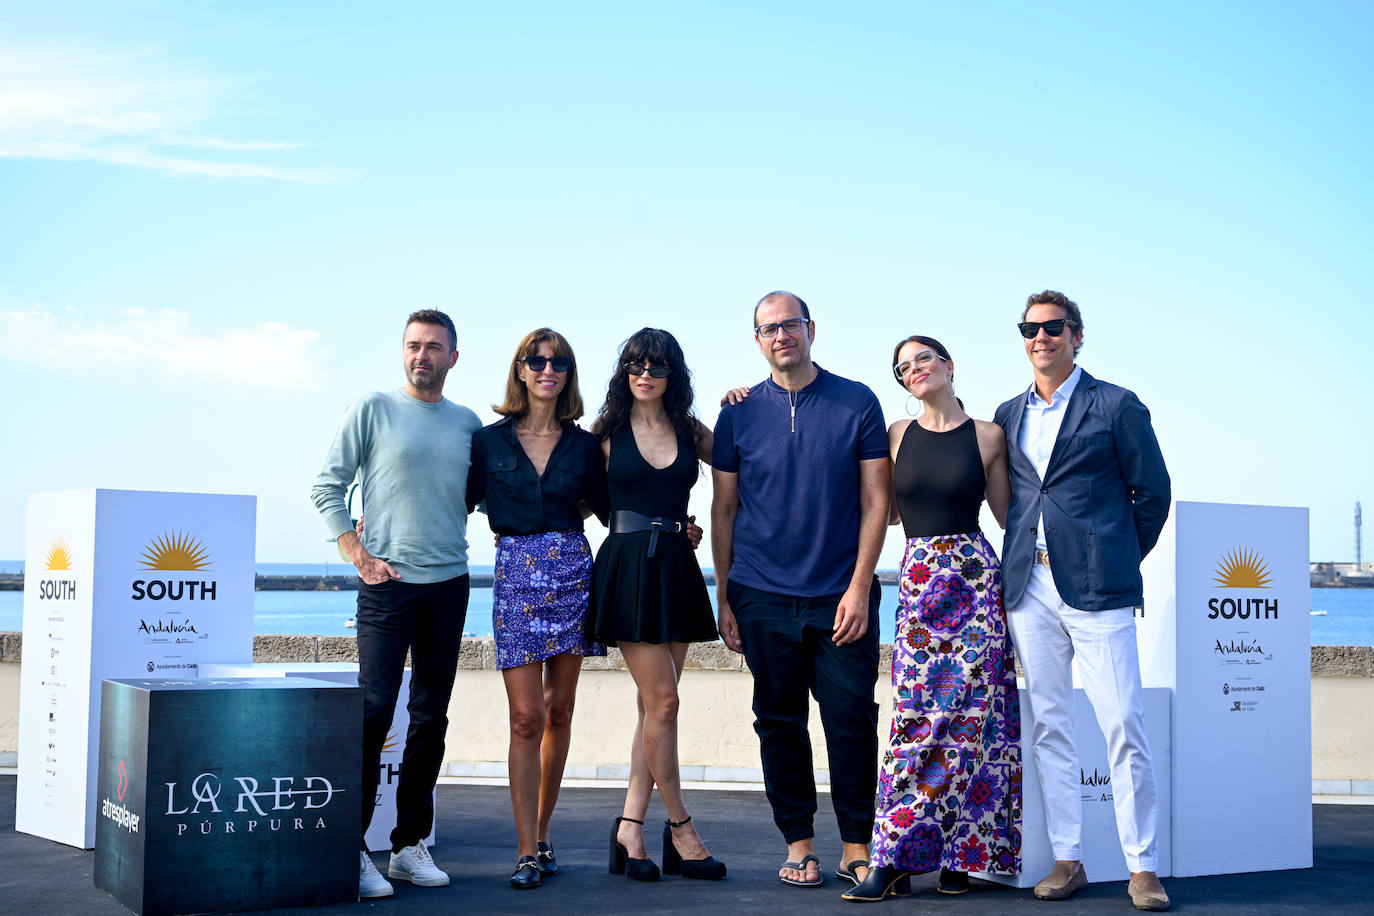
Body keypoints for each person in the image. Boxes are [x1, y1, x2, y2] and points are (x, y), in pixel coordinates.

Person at [994, 290, 1171, 911]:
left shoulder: (1116, 405)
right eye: (1029, 328)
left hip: (1099, 589)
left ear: (1076, 335)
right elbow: (1012, 499)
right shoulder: (1007, 412)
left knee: (1123, 722)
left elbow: (1152, 494)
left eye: (1052, 327)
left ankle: (1142, 867)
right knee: (1049, 726)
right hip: (1028, 590)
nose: (1040, 336)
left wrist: (1116, 557)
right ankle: (1069, 859)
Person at [711, 291, 890, 889]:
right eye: (767, 329)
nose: (780, 335)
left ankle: (856, 846)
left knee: (851, 721)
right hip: (760, 592)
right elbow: (724, 509)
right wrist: (725, 595)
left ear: (811, 329)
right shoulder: (737, 414)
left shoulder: (856, 401)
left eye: (790, 325)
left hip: (842, 593)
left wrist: (861, 587)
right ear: (757, 340)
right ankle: (800, 845)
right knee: (778, 721)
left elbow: (875, 501)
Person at [310, 309, 483, 899]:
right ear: (402, 352)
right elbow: (326, 486)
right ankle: (352, 848)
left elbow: (492, 493)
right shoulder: (374, 408)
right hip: (386, 586)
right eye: (414, 346)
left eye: (435, 347)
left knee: (431, 717)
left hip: (449, 584)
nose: (422, 356)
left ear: (453, 358)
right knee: (375, 711)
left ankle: (410, 846)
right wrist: (358, 554)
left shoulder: (467, 423)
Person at [843, 335, 1022, 902]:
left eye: (923, 359)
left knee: (977, 723)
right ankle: (894, 856)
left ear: (948, 364)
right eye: (903, 368)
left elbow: (1008, 517)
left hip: (975, 580)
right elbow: (887, 512)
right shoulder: (897, 436)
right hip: (920, 581)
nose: (914, 370)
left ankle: (961, 857)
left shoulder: (989, 435)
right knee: (914, 724)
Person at [466, 327, 609, 890]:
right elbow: (449, 499)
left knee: (559, 712)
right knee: (525, 717)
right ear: (520, 370)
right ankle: (526, 849)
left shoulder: (583, 445)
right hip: (516, 578)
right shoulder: (487, 442)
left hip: (574, 572)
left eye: (560, 362)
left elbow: (611, 509)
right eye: (537, 360)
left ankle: (543, 834)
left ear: (568, 374)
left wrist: (675, 525)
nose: (548, 369)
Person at [587, 328, 726, 883]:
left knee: (653, 711)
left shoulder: (692, 431)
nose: (645, 374)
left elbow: (748, 458)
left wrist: (743, 402)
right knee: (664, 703)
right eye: (635, 365)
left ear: (674, 374)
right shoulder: (605, 435)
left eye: (658, 366)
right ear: (624, 372)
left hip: (674, 567)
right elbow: (581, 499)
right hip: (627, 569)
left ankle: (628, 827)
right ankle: (682, 829)